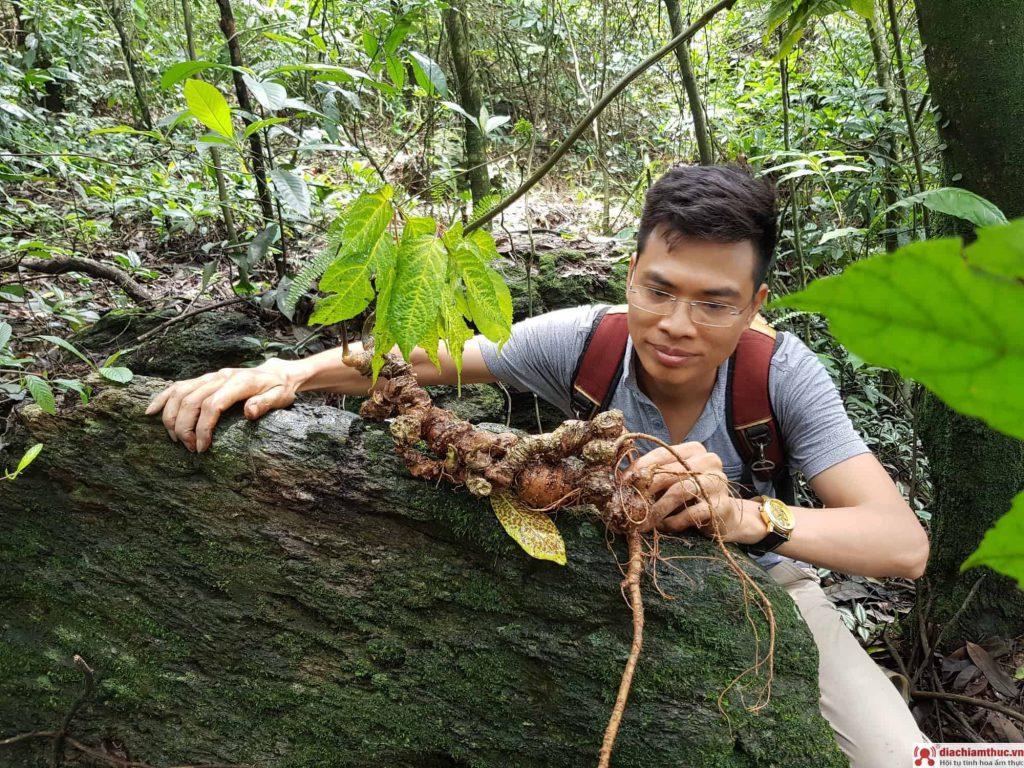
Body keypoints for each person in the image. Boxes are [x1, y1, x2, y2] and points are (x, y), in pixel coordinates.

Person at [148, 164, 931, 766]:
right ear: (631, 274)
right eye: (659, 289)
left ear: (755, 302)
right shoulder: (586, 341)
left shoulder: (779, 375)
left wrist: (744, 515)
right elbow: (421, 363)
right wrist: (290, 373)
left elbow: (901, 544)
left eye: (714, 302)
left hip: (759, 581)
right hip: (595, 563)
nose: (676, 324)